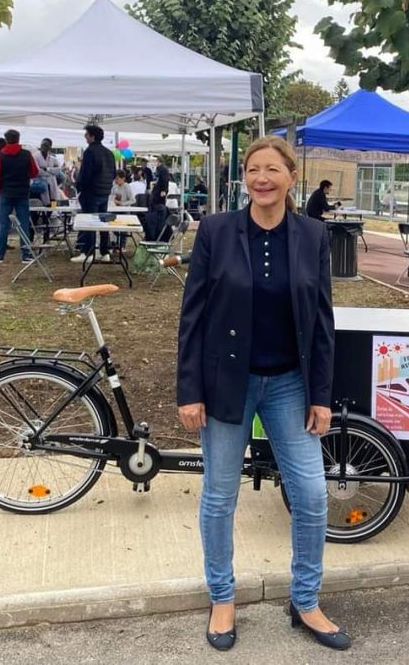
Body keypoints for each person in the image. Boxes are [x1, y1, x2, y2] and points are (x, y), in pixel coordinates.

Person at [176, 135, 348, 653]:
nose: (262, 178)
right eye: (254, 169)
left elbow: (321, 321)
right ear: (244, 178)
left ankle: (306, 600)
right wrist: (190, 391)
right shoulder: (216, 231)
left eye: (273, 169)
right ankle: (222, 597)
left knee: (312, 495)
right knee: (220, 496)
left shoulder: (312, 235)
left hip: (290, 383)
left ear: (292, 177)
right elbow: (193, 316)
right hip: (228, 382)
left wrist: (321, 395)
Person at [0, 129, 39, 264]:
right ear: (18, 139)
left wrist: (0, 190)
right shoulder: (27, 154)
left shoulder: (1, 156)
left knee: (3, 224)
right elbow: (34, 172)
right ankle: (26, 255)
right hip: (22, 192)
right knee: (24, 224)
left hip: (6, 193)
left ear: (6, 140)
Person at [71, 125, 116, 264]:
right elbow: (113, 173)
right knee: (103, 223)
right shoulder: (109, 153)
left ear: (92, 136)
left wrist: (79, 187)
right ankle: (104, 252)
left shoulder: (90, 152)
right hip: (105, 192)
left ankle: (87, 253)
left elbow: (85, 174)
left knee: (89, 222)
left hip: (91, 192)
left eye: (87, 134)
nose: (85, 136)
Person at [145, 156, 172, 242]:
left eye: (155, 161)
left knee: (158, 210)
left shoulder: (161, 169)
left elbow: (164, 180)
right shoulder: (163, 169)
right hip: (159, 195)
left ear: (159, 161)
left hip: (159, 196)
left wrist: (163, 190)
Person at [32, 138, 60, 206]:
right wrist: (51, 173)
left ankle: (53, 211)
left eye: (46, 145)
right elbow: (38, 171)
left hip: (52, 183)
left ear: (50, 147)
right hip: (40, 184)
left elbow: (57, 171)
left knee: (53, 203)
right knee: (43, 204)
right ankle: (45, 211)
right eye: (42, 145)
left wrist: (47, 169)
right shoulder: (35, 156)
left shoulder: (53, 158)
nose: (43, 147)